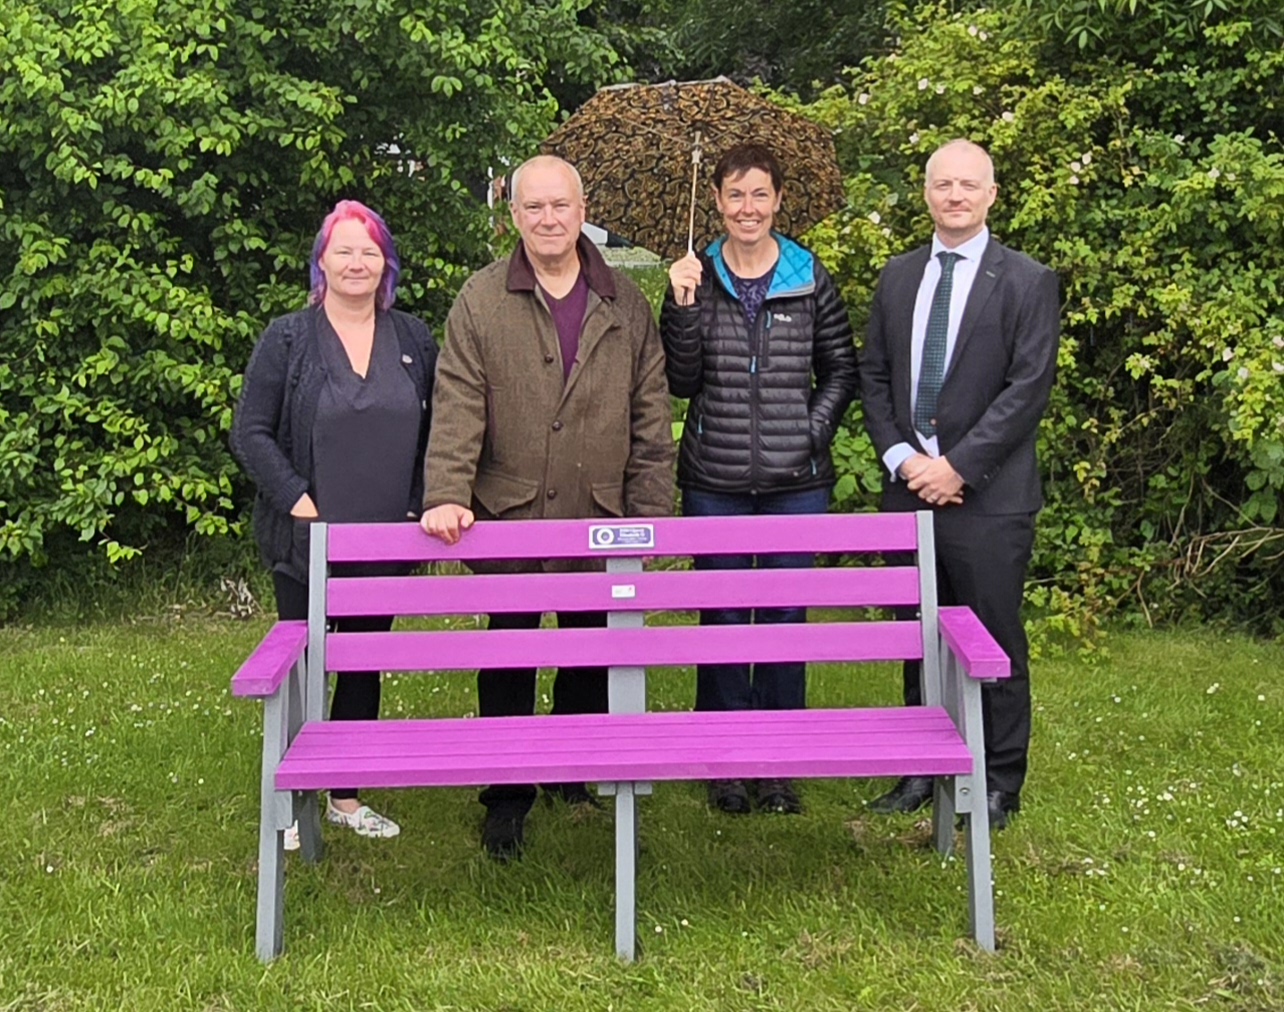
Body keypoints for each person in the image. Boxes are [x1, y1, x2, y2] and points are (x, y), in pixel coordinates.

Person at [420, 154, 673, 861]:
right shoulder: (481, 299)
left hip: (602, 515)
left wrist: (648, 516)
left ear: (583, 208)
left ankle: (571, 766)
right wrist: (446, 491)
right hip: (510, 514)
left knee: (593, 649)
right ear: (514, 215)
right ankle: (506, 796)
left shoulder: (626, 301)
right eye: (534, 207)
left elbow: (651, 416)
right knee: (511, 654)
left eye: (560, 205)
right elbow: (459, 401)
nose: (549, 218)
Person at [859, 139, 1060, 830]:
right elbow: (875, 378)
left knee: (992, 635)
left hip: (990, 496)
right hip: (909, 488)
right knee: (921, 635)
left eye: (968, 185)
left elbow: (1026, 389)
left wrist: (958, 467)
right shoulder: (898, 276)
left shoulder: (1028, 281)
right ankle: (921, 766)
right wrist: (902, 459)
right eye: (943, 185)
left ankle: (1000, 779)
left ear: (991, 195)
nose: (955, 196)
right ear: (926, 193)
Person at [660, 143, 858, 816]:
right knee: (721, 616)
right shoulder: (695, 276)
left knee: (781, 615)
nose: (748, 208)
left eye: (760, 195)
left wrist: (809, 432)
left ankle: (778, 760)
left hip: (795, 480)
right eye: (735, 195)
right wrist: (682, 308)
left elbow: (841, 371)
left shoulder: (809, 277)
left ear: (777, 201)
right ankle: (723, 759)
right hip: (713, 477)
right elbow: (679, 382)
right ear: (716, 202)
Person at [231, 200, 437, 847]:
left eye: (369, 250)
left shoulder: (413, 339)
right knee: (302, 663)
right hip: (307, 540)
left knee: (361, 663)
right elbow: (250, 431)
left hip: (385, 542)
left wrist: (419, 503)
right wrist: (296, 497)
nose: (356, 262)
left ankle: (346, 794)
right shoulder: (288, 337)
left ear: (387, 264)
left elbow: (440, 431)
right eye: (343, 249)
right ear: (321, 261)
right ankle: (290, 801)